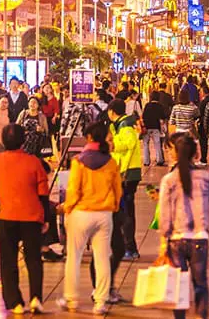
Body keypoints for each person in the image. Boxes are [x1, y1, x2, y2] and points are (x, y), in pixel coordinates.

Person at [157, 134, 209, 319]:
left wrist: (163, 242)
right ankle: (201, 315)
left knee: (179, 285)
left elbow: (165, 215)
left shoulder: (168, 180)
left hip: (176, 240)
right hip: (199, 238)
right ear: (195, 154)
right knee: (200, 284)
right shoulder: (207, 178)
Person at [0, 124, 49, 314]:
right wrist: (45, 218)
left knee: (8, 259)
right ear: (23, 140)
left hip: (5, 215)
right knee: (34, 258)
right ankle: (36, 298)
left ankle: (14, 302)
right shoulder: (34, 162)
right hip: (31, 215)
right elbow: (43, 193)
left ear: (3, 141)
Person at [59, 122, 122, 315]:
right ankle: (100, 301)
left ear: (89, 138)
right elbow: (117, 190)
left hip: (81, 213)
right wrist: (113, 207)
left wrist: (67, 208)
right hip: (104, 214)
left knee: (74, 257)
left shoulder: (79, 161)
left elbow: (73, 190)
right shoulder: (111, 162)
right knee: (102, 258)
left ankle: (71, 298)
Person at [107, 99, 143, 260]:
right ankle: (128, 246)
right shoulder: (121, 124)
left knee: (126, 211)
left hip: (127, 172)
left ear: (112, 111)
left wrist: (113, 144)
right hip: (125, 171)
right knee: (125, 210)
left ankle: (130, 248)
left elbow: (129, 144)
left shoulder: (125, 125)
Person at [141, 93, 167, 167]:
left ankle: (146, 161)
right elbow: (163, 116)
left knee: (145, 144)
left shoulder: (147, 105)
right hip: (156, 127)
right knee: (157, 144)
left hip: (146, 127)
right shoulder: (160, 106)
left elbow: (143, 116)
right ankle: (159, 160)